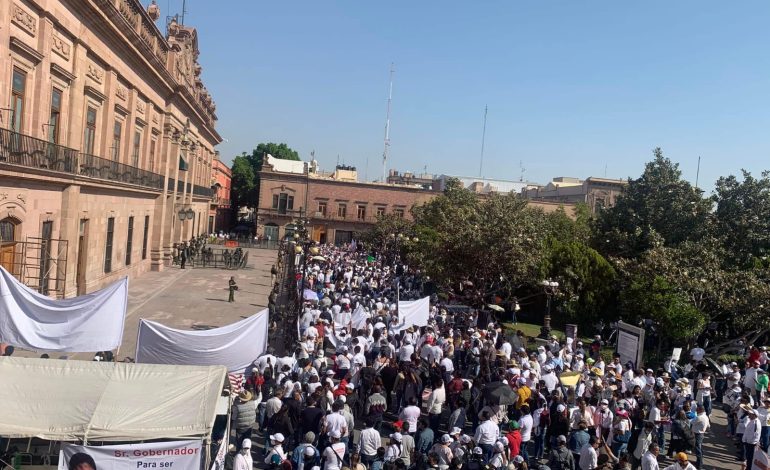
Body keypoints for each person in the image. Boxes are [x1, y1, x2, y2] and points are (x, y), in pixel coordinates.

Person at [690, 405, 709, 470]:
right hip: (701, 434)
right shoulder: (706, 416)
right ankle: (699, 463)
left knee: (698, 450)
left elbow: (692, 422)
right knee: (700, 449)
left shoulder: (699, 417)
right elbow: (709, 426)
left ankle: (699, 465)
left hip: (697, 434)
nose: (696, 411)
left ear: (700, 410)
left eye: (697, 410)